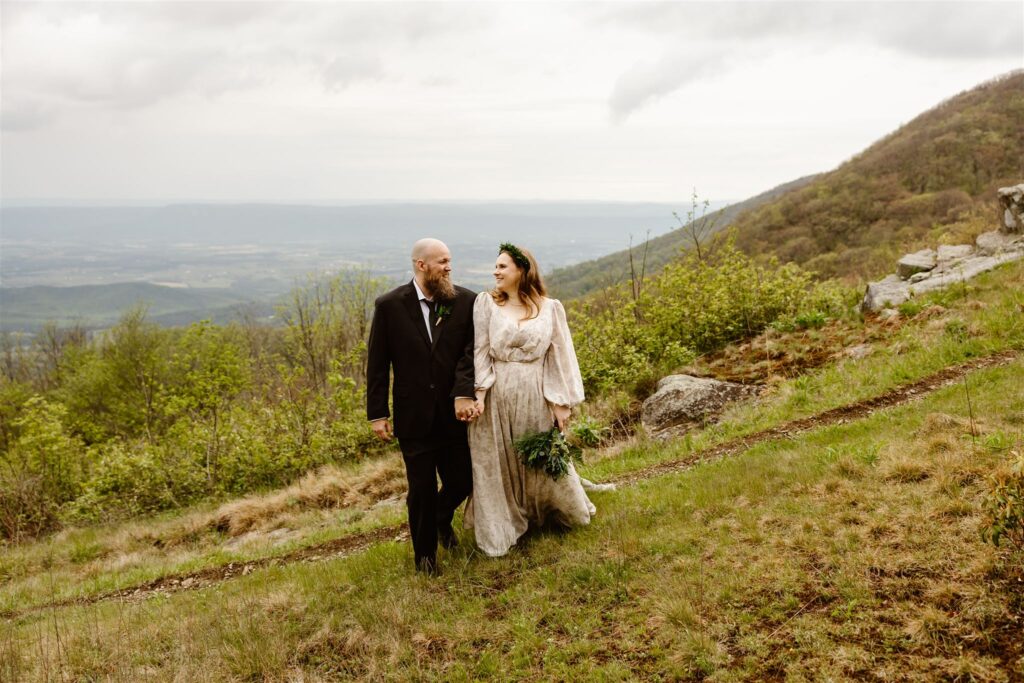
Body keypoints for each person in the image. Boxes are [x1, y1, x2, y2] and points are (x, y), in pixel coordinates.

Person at [465, 243, 597, 557]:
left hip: (536, 394)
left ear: (522, 270)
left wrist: (560, 401)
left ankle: (550, 513)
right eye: (495, 267)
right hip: (498, 399)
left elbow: (560, 355)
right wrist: (479, 394)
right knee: (502, 459)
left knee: (539, 456)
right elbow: (481, 352)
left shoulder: (550, 308)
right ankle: (509, 519)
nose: (495, 272)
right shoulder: (486, 304)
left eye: (502, 267)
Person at [366, 238, 479, 575]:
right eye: (442, 261)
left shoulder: (466, 302)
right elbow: (377, 363)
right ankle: (425, 559)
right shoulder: (389, 306)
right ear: (421, 265)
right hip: (413, 417)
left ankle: (442, 517)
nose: (448, 267)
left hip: (453, 414)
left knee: (463, 480)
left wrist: (464, 392)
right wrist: (377, 414)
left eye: (449, 261)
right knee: (421, 490)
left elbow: (470, 355)